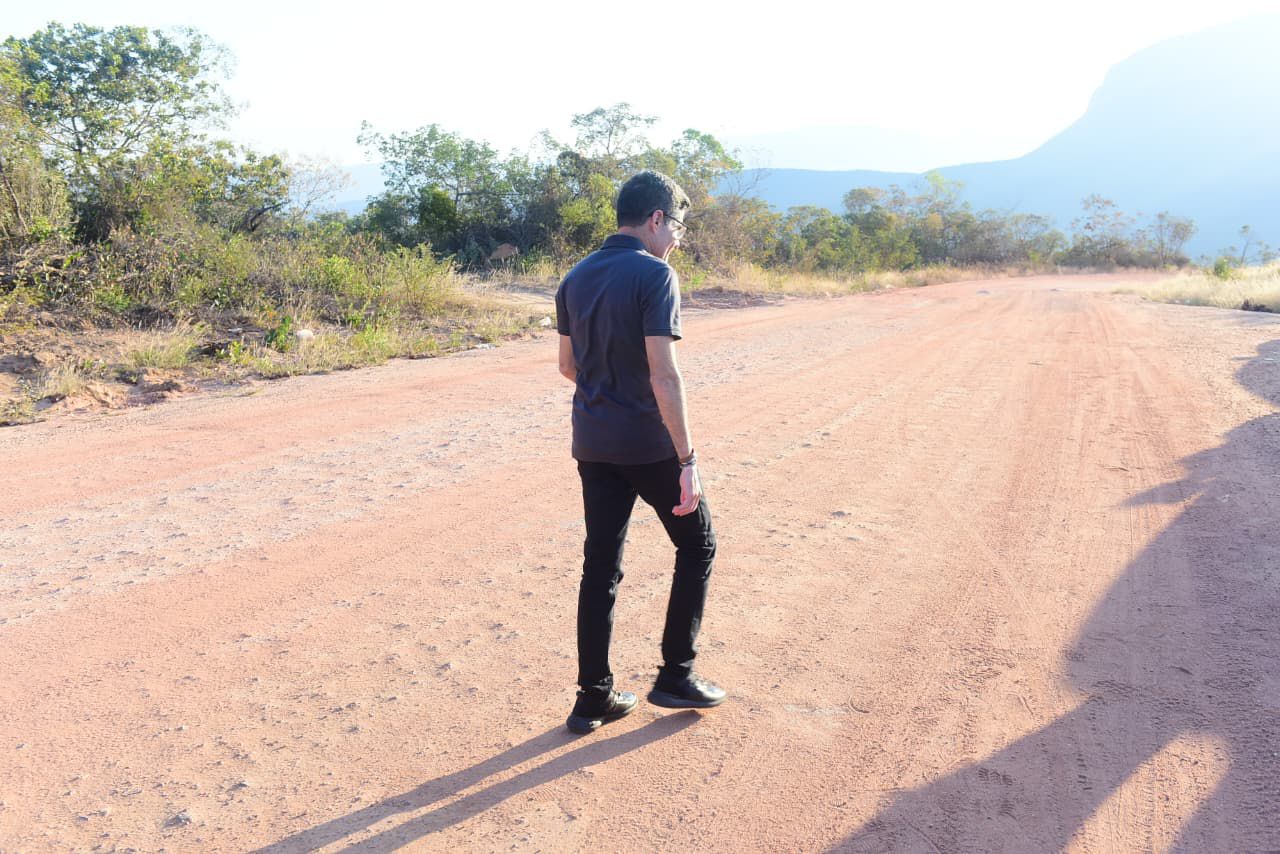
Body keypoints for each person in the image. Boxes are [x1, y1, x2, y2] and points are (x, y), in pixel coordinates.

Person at [555, 170, 725, 735]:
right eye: (675, 226)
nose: (676, 238)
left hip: (593, 442)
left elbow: (567, 367)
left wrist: (607, 388)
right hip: (648, 446)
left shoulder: (575, 277)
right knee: (698, 544)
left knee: (600, 566)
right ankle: (676, 674)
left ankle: (593, 698)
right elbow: (664, 374)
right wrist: (687, 460)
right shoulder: (655, 275)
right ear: (655, 218)